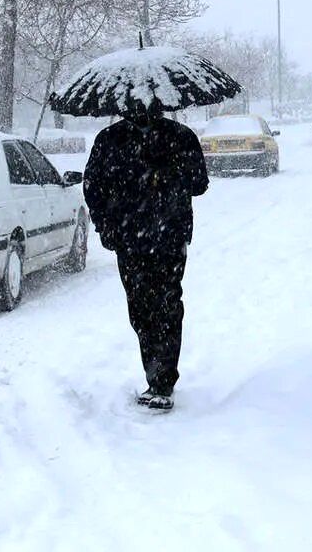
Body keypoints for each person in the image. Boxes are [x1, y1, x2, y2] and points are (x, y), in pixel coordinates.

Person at [83, 104, 209, 411]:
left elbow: (198, 183)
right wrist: (107, 225)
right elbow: (93, 188)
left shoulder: (176, 137)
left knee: (156, 304)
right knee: (152, 306)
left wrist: (163, 173)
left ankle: (161, 379)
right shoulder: (112, 140)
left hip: (160, 237)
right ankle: (158, 374)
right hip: (140, 238)